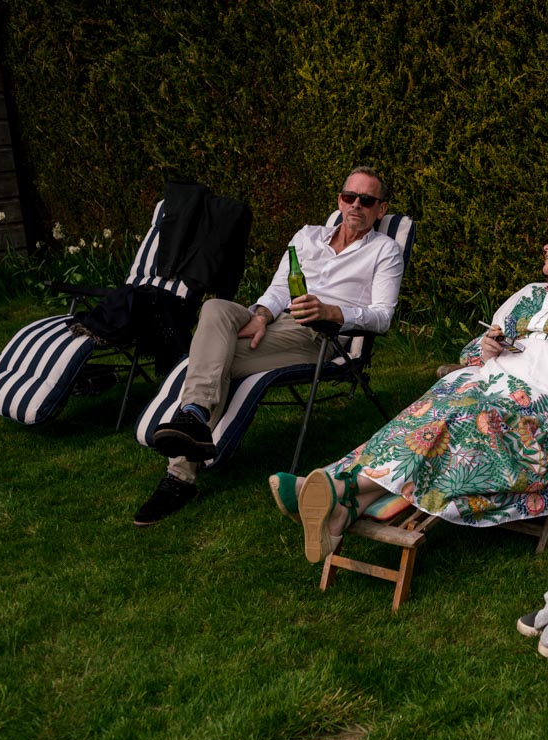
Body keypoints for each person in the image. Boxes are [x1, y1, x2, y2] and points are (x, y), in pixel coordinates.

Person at [268, 219, 548, 564]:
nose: (544, 247)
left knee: (462, 416)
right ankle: (342, 506)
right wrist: (488, 347)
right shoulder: (529, 294)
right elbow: (477, 346)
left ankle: (337, 487)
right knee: (429, 411)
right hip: (487, 385)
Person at [133, 167, 405, 526]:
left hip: (318, 336)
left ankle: (179, 476)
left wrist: (332, 311)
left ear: (380, 209)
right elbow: (278, 290)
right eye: (348, 197)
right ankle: (195, 417)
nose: (355, 205)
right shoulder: (308, 236)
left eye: (366, 200)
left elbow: (383, 316)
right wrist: (261, 315)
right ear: (339, 200)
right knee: (215, 308)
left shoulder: (385, 251)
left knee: (216, 360)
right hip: (277, 322)